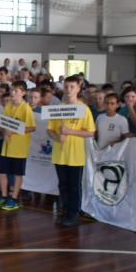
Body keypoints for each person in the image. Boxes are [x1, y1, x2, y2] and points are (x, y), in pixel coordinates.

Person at [47, 75, 95, 227]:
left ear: (78, 89)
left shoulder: (83, 109)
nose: (68, 90)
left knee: (74, 186)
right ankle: (65, 211)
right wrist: (56, 137)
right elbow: (50, 130)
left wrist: (70, 132)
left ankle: (73, 214)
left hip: (75, 155)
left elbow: (90, 132)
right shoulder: (58, 108)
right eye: (66, 87)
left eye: (72, 87)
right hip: (59, 153)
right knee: (63, 184)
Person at [0, 81, 36, 211]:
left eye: (16, 91)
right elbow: (5, 123)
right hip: (7, 146)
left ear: (23, 93)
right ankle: (4, 196)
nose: (13, 93)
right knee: (2, 172)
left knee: (17, 174)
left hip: (19, 148)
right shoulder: (9, 105)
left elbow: (31, 127)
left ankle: (14, 198)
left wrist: (13, 131)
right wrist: (4, 131)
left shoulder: (25, 108)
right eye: (12, 90)